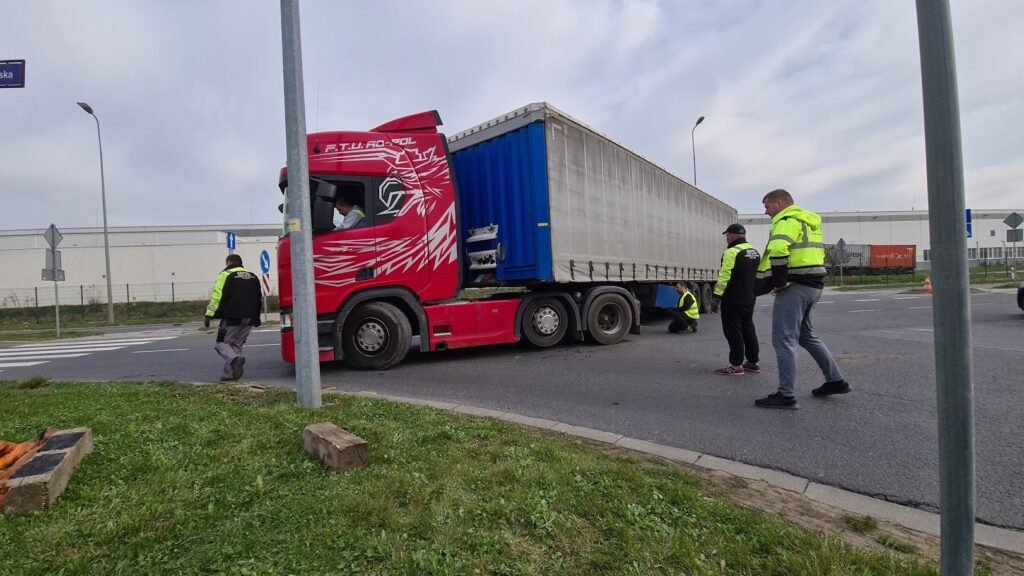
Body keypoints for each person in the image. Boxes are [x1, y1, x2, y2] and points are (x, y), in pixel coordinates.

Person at [754, 189, 851, 409]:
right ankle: (836, 381)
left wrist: (779, 282)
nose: (766, 212)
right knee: (806, 336)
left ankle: (785, 395)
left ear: (780, 204)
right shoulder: (808, 221)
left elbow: (779, 248)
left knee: (783, 339)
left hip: (795, 285)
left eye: (767, 206)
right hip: (813, 285)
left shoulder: (786, 220)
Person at [710, 223, 761, 375]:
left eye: (727, 236)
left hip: (733, 299)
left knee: (733, 331)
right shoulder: (754, 252)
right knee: (748, 329)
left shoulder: (731, 252)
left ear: (732, 236)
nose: (726, 239)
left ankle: (736, 365)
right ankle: (752, 362)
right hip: (749, 298)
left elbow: (725, 276)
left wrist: (717, 297)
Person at [204, 254, 262, 382]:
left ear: (229, 262)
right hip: (250, 318)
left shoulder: (226, 275)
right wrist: (257, 317)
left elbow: (217, 296)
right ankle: (229, 376)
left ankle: (234, 360)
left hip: (232, 317)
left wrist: (209, 314)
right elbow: (259, 298)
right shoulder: (253, 276)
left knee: (221, 344)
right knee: (236, 345)